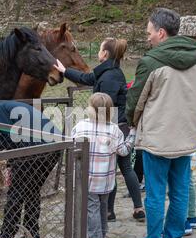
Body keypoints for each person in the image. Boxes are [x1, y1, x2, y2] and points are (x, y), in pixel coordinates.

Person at [126, 8, 196, 238]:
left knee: (154, 193)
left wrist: (134, 123)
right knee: (180, 191)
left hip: (157, 140)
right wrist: (192, 124)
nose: (148, 37)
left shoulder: (151, 62)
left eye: (149, 32)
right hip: (185, 139)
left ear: (161, 33)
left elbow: (135, 102)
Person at [54, 38, 145, 222]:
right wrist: (65, 71)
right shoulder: (107, 71)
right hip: (116, 126)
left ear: (104, 53)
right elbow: (86, 78)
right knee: (118, 167)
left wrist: (102, 129)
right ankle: (116, 210)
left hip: (116, 127)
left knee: (122, 168)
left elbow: (106, 106)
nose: (98, 52)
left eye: (100, 48)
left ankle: (134, 208)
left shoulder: (110, 76)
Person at [0, 101, 61, 238]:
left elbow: (12, 137)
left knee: (16, 193)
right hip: (53, 147)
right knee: (32, 191)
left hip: (35, 150)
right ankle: (32, 233)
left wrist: (13, 163)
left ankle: (7, 234)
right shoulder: (4, 109)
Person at [72, 93, 136, 238]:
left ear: (90, 109)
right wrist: (132, 135)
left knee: (92, 210)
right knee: (103, 208)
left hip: (87, 178)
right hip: (106, 179)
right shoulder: (114, 130)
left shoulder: (80, 126)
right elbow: (123, 151)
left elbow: (71, 146)